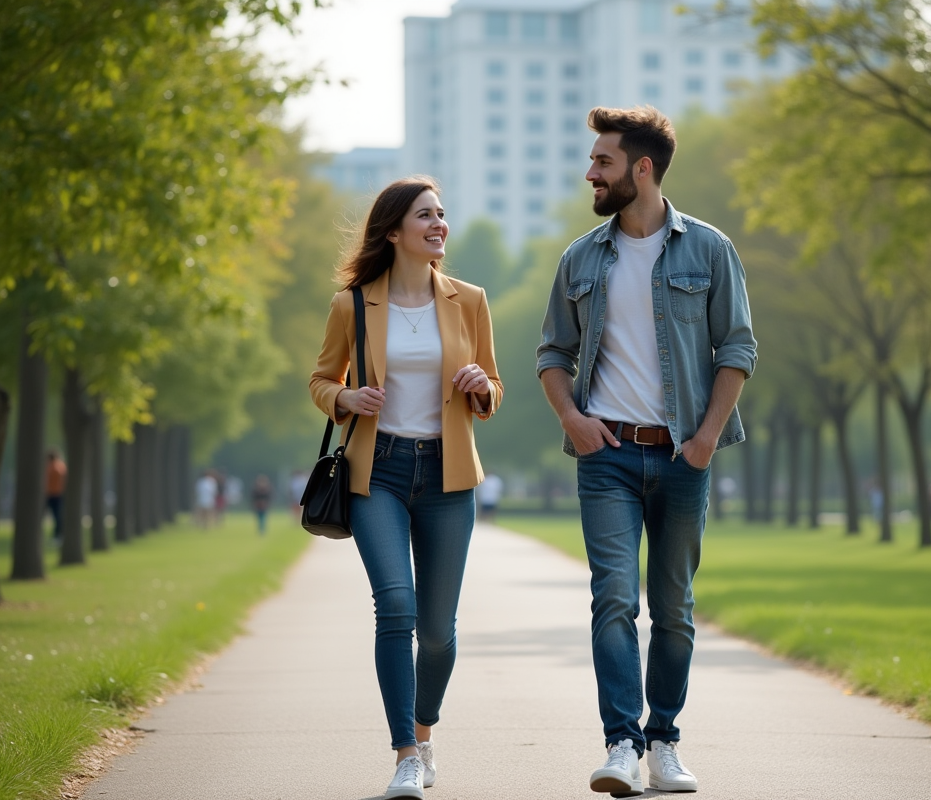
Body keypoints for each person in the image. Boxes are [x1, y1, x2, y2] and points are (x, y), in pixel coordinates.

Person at [537, 106, 756, 796]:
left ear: (642, 168)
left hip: (682, 458)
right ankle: (622, 744)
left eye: (602, 161)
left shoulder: (709, 250)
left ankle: (664, 739)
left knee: (675, 608)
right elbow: (552, 351)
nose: (589, 172)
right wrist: (571, 416)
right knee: (612, 602)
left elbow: (739, 347)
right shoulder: (582, 257)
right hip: (605, 457)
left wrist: (705, 439)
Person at [309, 176, 502, 800]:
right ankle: (405, 755)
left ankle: (425, 731)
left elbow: (493, 390)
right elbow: (319, 378)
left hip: (448, 477)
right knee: (395, 606)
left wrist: (479, 385)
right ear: (394, 231)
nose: (439, 223)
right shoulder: (354, 304)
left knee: (438, 630)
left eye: (442, 213)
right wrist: (345, 395)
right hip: (379, 473)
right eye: (426, 215)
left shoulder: (469, 300)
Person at [45, 449, 67, 544]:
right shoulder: (61, 465)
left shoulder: (52, 466)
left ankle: (58, 535)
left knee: (57, 516)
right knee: (57, 516)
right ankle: (57, 535)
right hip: (55, 494)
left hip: (53, 494)